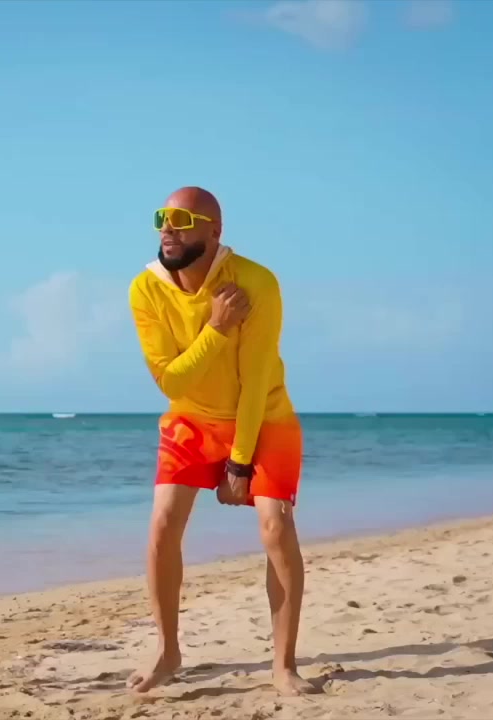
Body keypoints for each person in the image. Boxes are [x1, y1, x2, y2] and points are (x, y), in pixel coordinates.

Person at [126, 186, 313, 697]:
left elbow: (255, 380)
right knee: (162, 524)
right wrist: (216, 327)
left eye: (183, 220)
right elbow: (171, 381)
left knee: (276, 527)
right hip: (189, 420)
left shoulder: (255, 281)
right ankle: (167, 650)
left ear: (214, 231)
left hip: (265, 416)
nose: (169, 228)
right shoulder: (145, 289)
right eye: (162, 218)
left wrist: (240, 462)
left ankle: (284, 665)